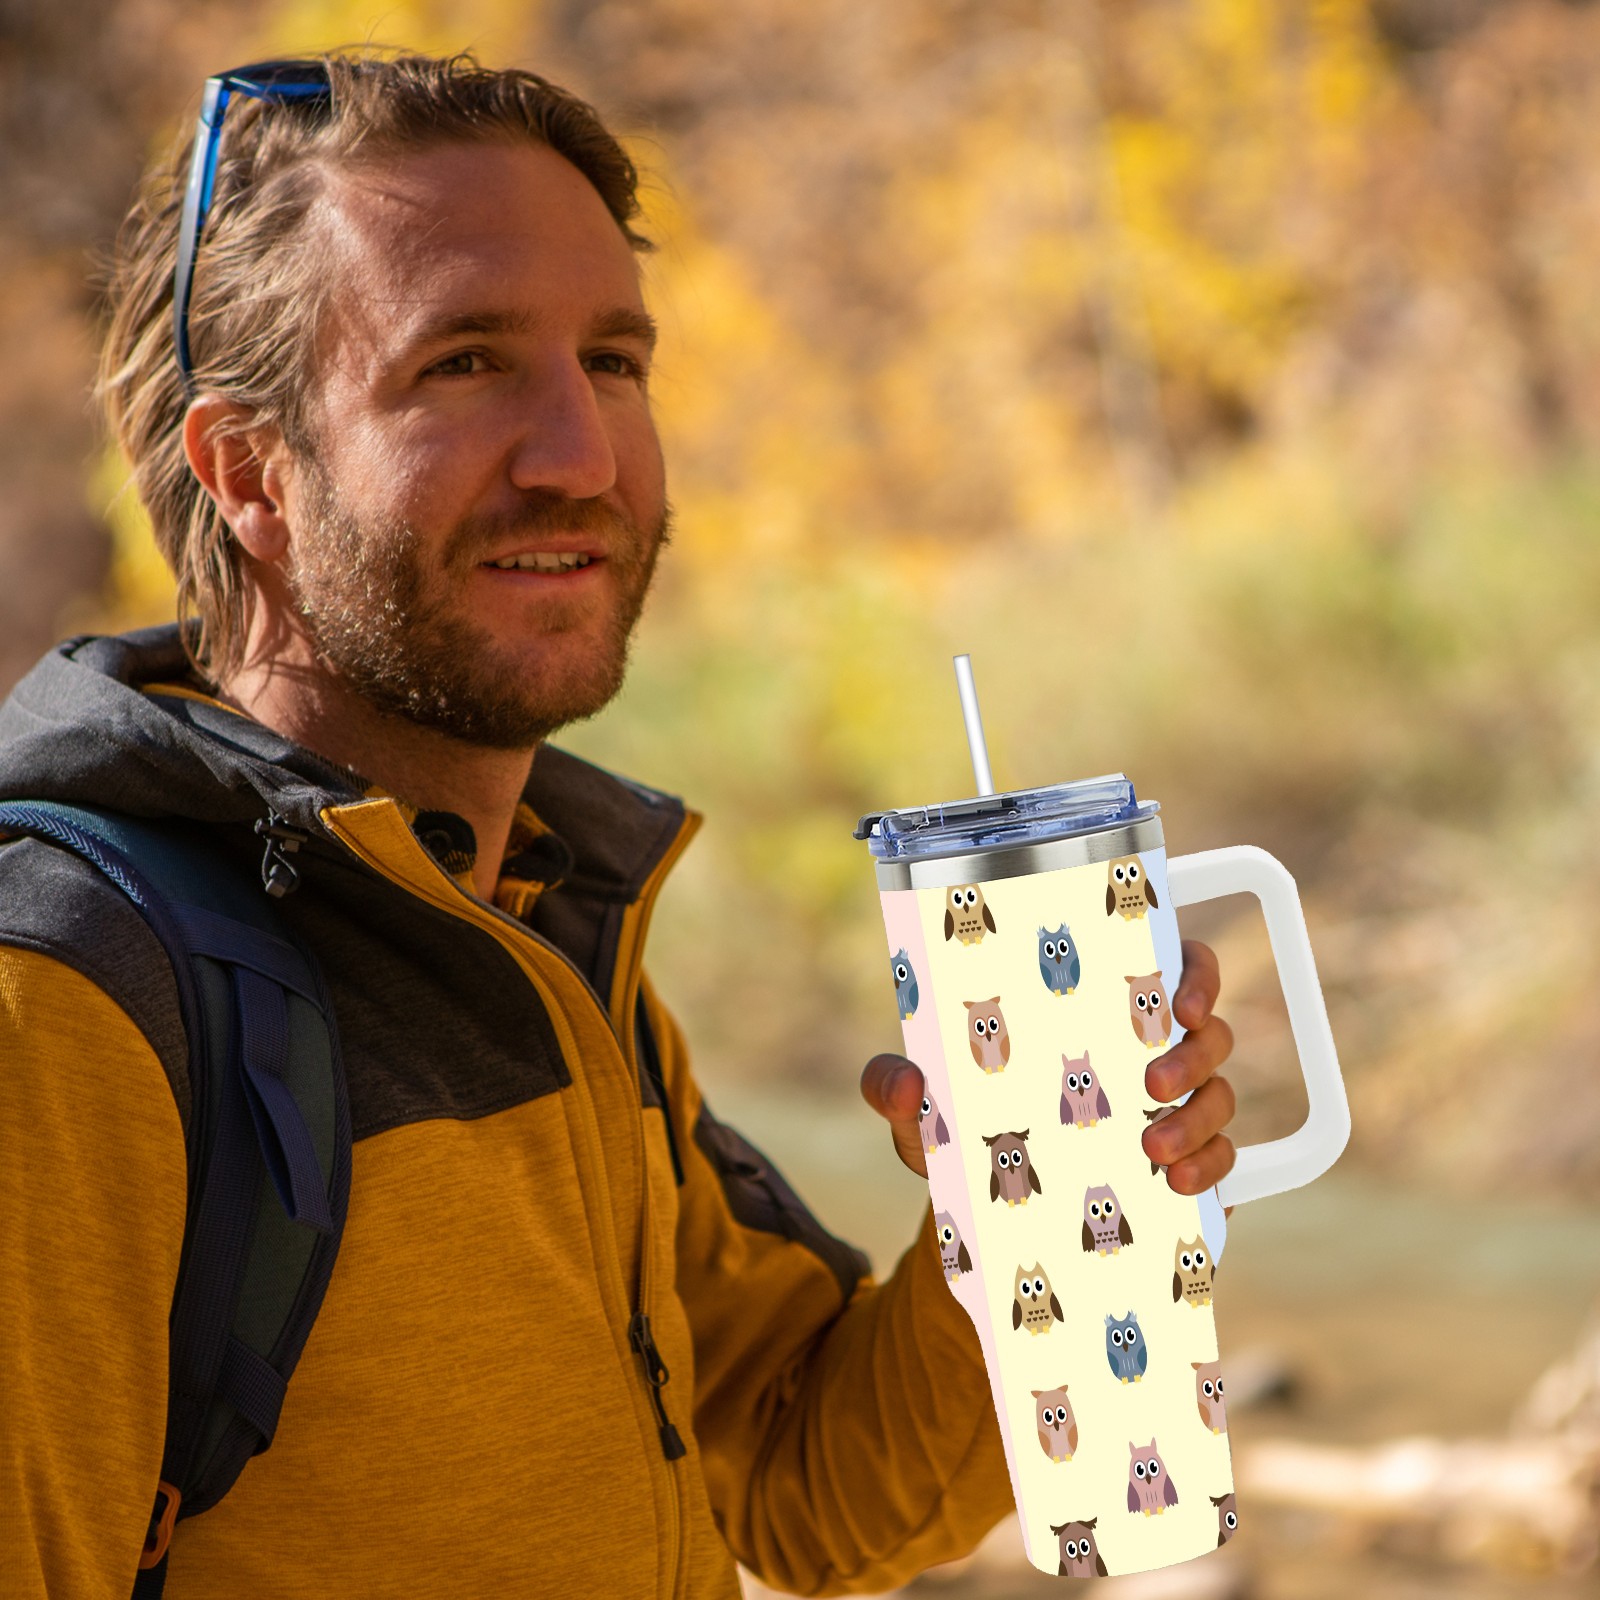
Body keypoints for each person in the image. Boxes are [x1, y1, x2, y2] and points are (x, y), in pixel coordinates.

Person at [0, 51, 1239, 1598]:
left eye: (614, 360)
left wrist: (1031, 1214)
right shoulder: (70, 998)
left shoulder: (540, 923)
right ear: (250, 473)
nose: (580, 455)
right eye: (463, 364)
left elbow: (804, 1485)